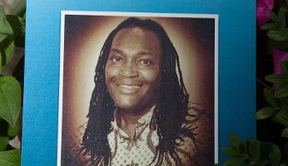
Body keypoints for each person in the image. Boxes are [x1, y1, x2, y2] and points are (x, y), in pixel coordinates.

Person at [70, 17, 213, 166]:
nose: (127, 72)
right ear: (104, 66)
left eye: (144, 61)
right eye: (117, 58)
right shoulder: (79, 142)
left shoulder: (202, 130)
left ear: (164, 71)